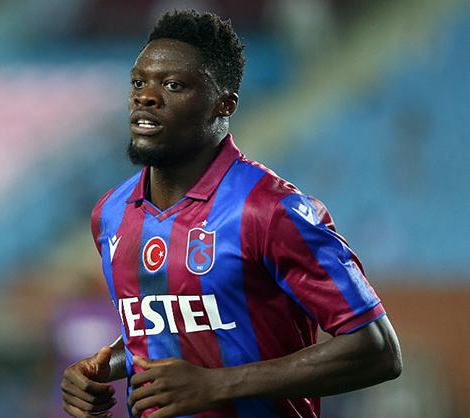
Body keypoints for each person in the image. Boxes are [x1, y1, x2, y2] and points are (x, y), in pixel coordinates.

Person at [60, 9, 402, 418]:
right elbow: (165, 328)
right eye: (138, 82)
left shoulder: (270, 209)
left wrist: (217, 384)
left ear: (224, 105)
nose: (146, 97)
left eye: (173, 85)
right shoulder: (111, 214)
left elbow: (377, 349)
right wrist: (105, 367)